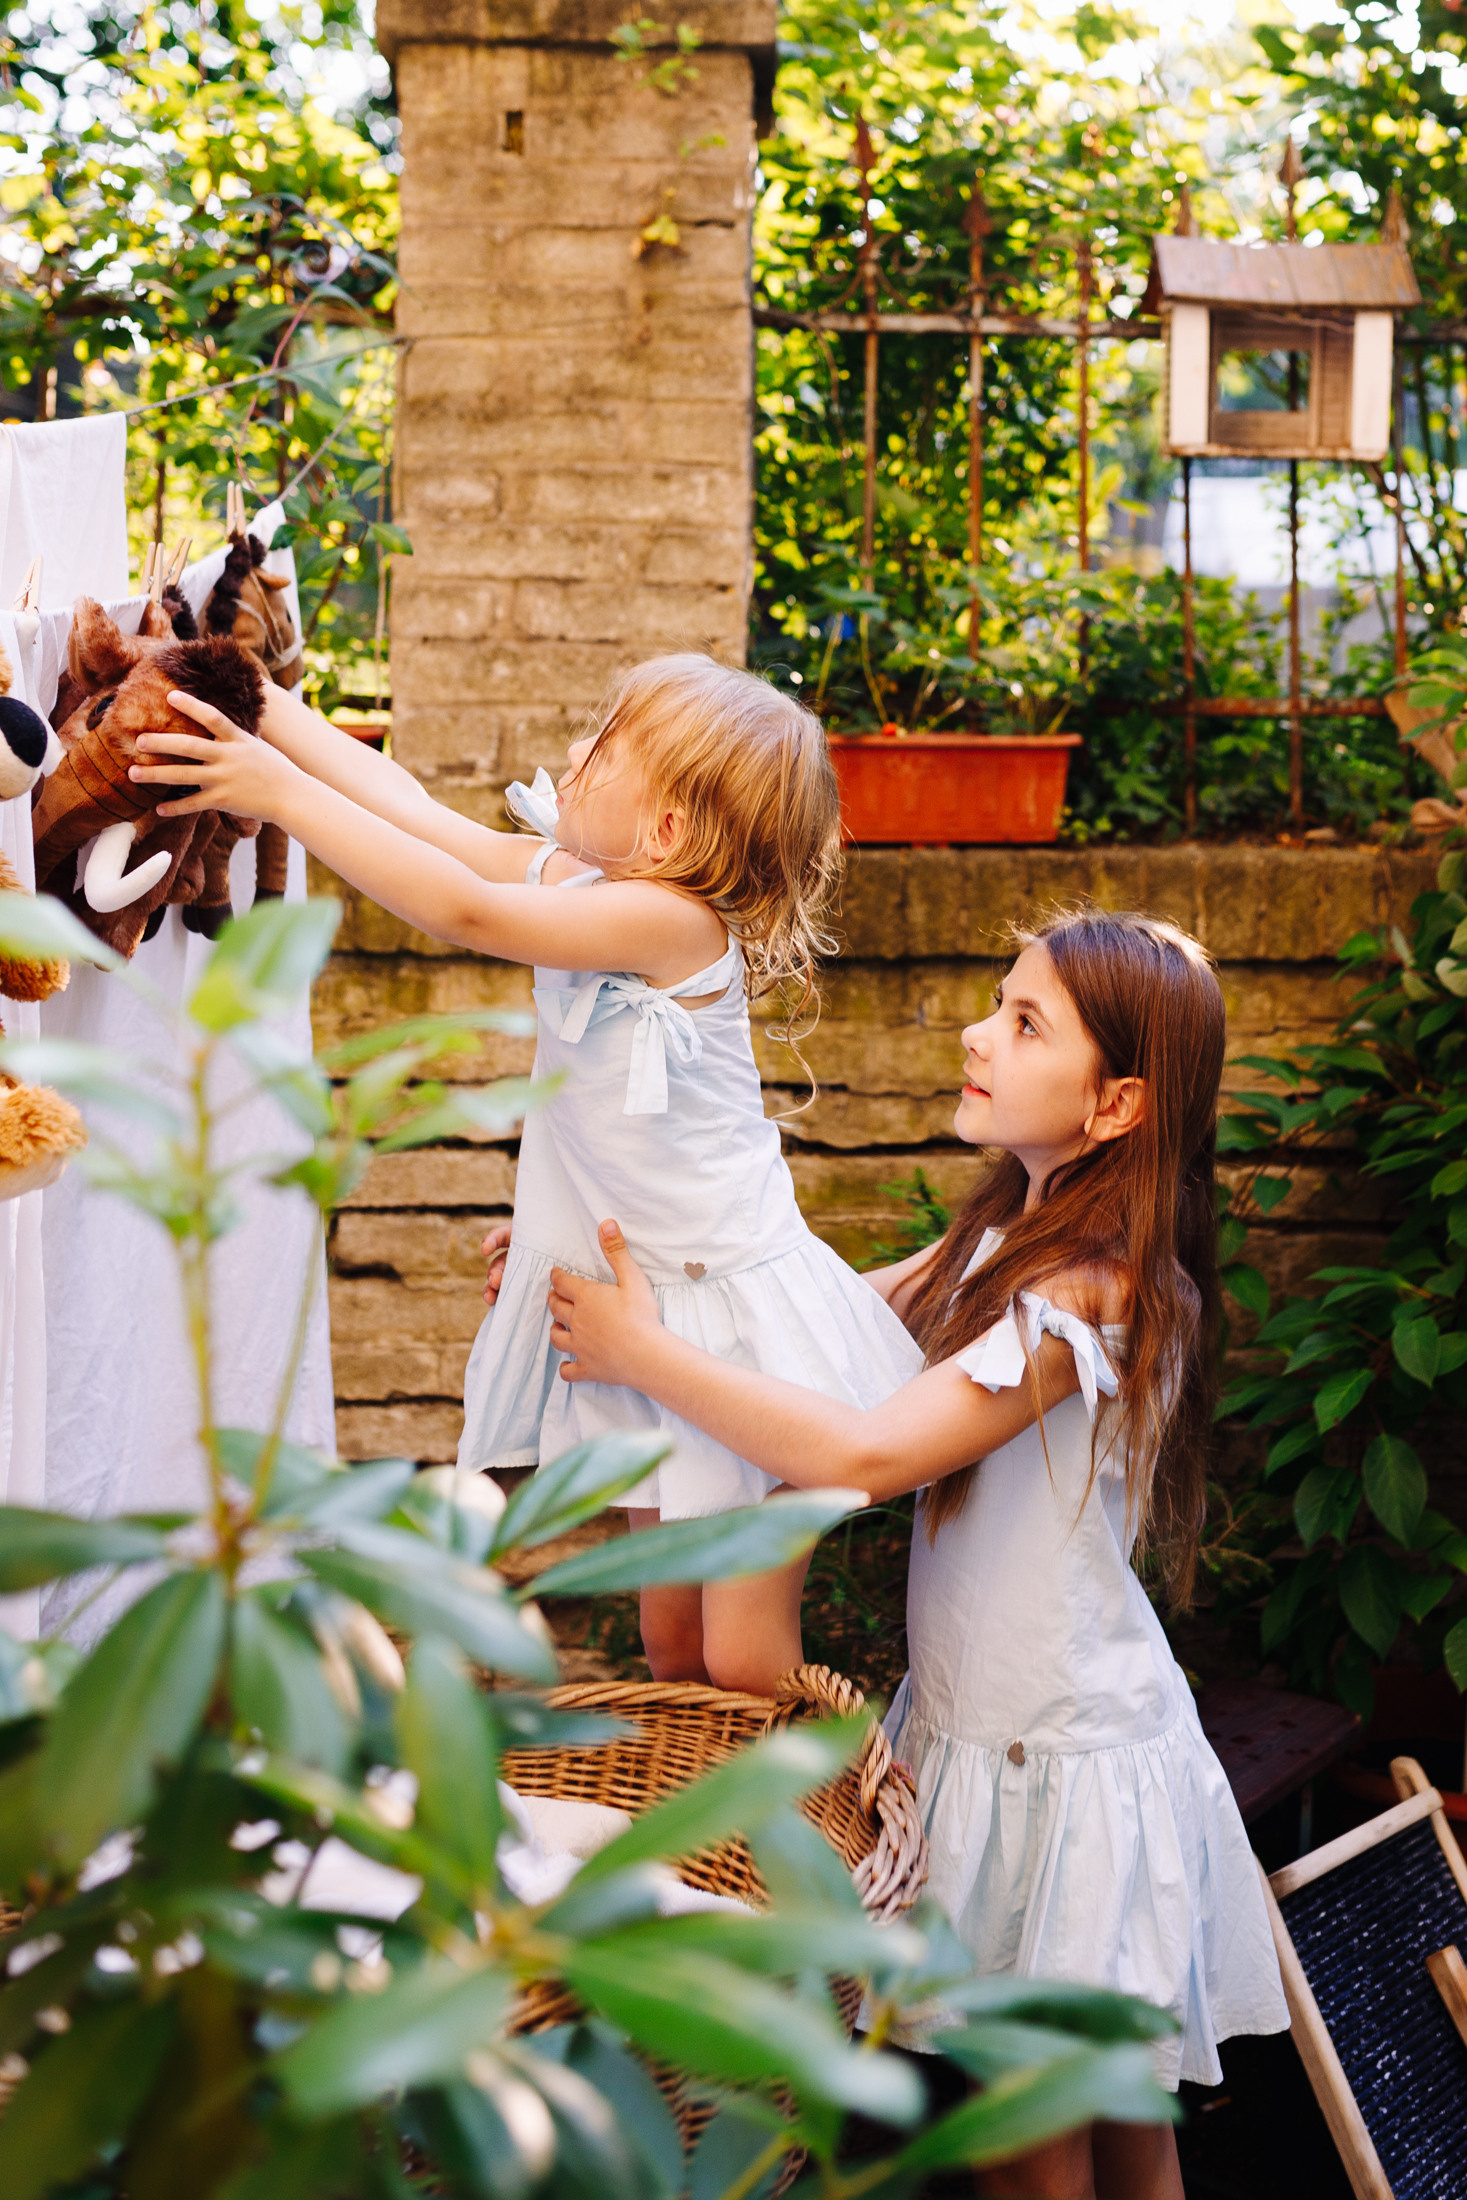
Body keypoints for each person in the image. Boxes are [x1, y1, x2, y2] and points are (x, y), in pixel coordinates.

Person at [540, 908, 1289, 2200]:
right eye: (998, 1003)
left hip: (1057, 1764)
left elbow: (865, 1451)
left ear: (1115, 1105)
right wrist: (621, 1289)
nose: (977, 1035)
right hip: (1006, 1736)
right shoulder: (1004, 1240)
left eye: (1024, 1023)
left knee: (1032, 2142)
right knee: (1114, 2128)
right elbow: (814, 1327)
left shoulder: (1093, 1293)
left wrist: (643, 1355)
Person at [128, 655, 924, 1694]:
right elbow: (421, 816)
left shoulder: (673, 923)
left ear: (666, 832)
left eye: (604, 746)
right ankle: (705, 1797)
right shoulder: (596, 886)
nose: (576, 749)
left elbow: (465, 910)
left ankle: (840, 1788)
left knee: (739, 1654)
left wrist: (277, 792)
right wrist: (268, 711)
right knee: (672, 1646)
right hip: (654, 1307)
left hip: (738, 1329)